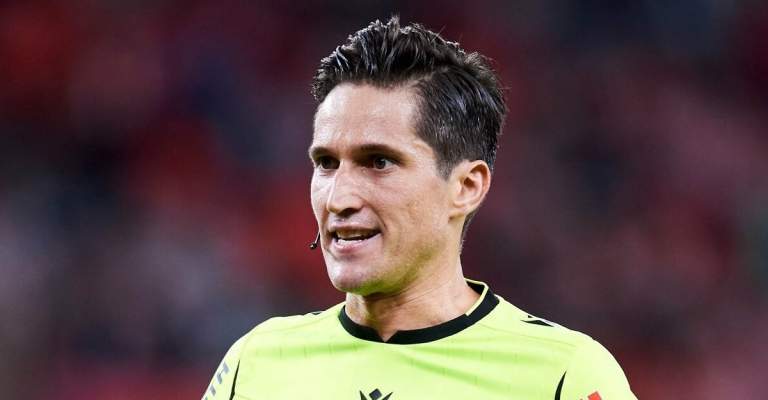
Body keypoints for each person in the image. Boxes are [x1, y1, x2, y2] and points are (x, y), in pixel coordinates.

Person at [203, 17, 636, 400]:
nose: (338, 198)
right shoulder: (256, 364)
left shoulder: (563, 376)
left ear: (466, 187)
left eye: (379, 162)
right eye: (327, 163)